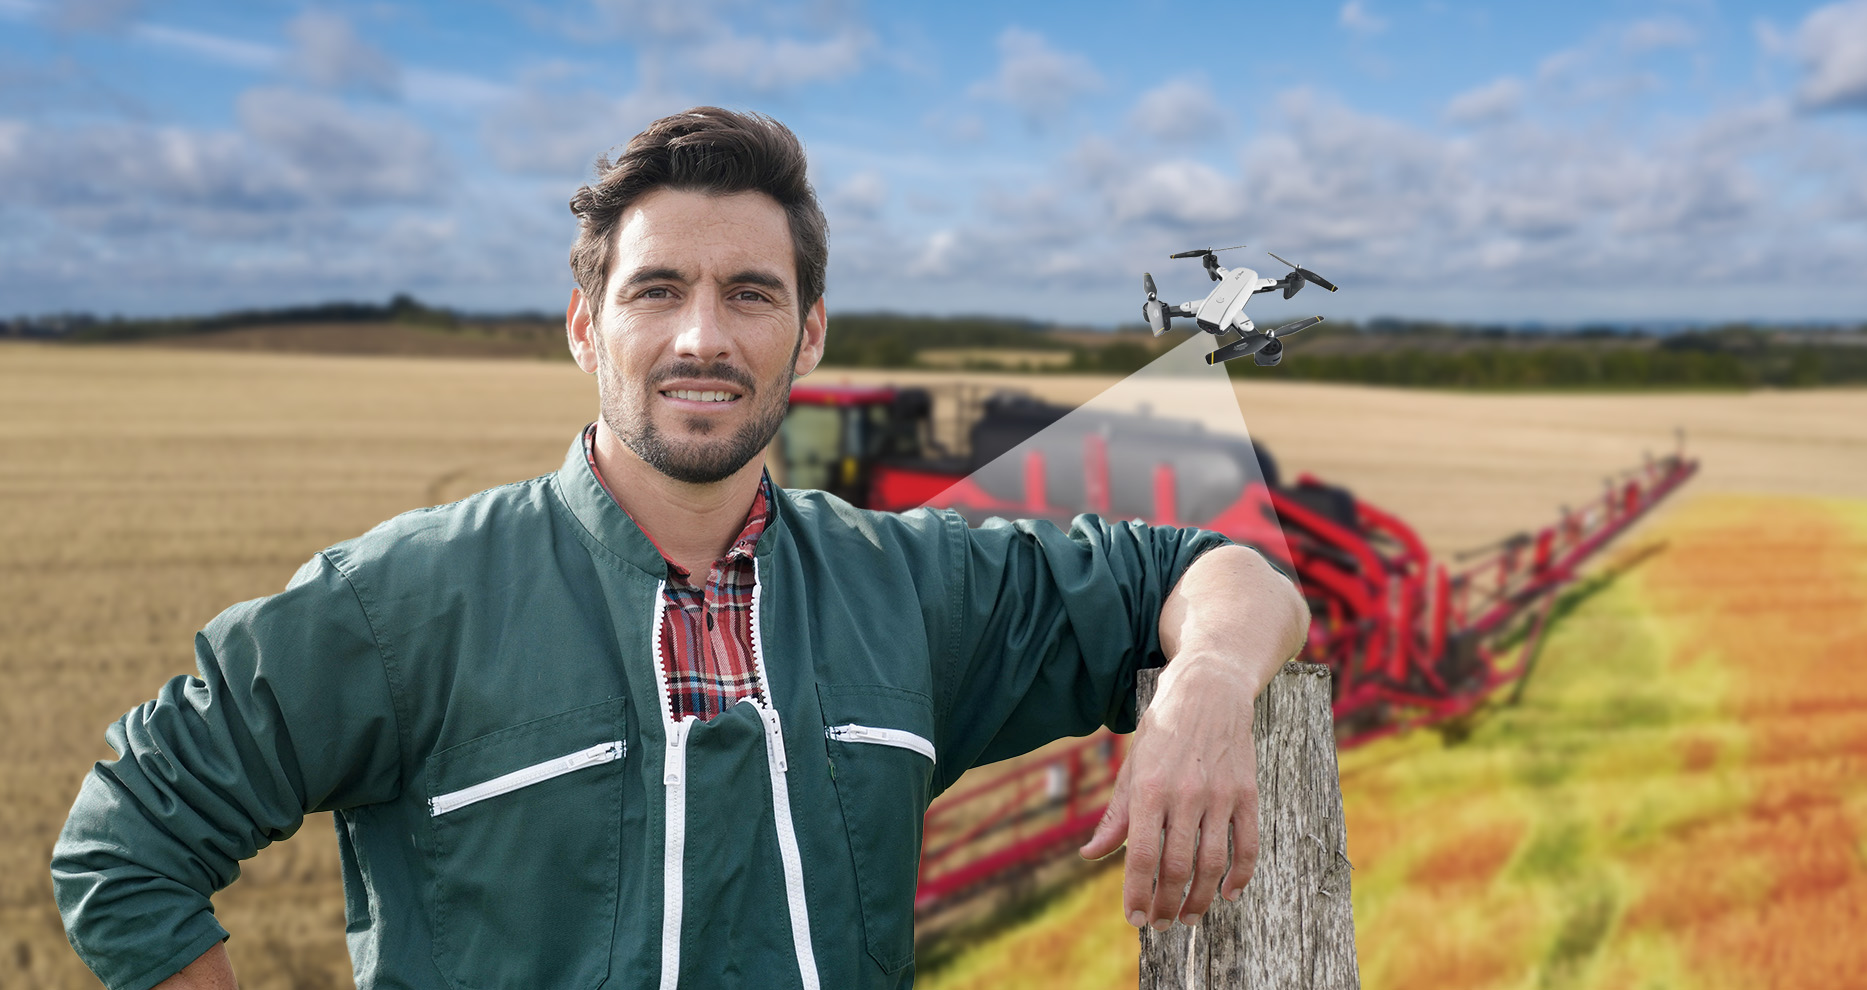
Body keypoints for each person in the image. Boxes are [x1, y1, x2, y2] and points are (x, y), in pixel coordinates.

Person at [52, 107, 1310, 990]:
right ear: (585, 329)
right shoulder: (408, 605)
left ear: (807, 335)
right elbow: (127, 836)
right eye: (658, 290)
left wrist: (1202, 685)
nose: (703, 336)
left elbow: (1226, 572)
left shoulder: (914, 590)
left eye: (751, 293)